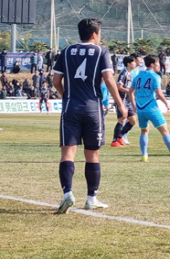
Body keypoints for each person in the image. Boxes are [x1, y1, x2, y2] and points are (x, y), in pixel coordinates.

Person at [52, 18, 126, 214]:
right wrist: (120, 104)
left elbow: (56, 80)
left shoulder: (66, 51)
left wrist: (66, 96)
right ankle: (91, 198)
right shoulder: (101, 51)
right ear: (94, 34)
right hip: (93, 108)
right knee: (92, 155)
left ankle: (67, 194)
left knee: (68, 153)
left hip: (70, 107)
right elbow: (109, 79)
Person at [128, 54, 170, 163]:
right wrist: (166, 103)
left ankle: (144, 155)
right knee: (165, 131)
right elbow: (159, 93)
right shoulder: (155, 76)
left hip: (140, 109)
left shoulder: (138, 76)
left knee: (144, 131)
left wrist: (133, 104)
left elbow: (130, 92)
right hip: (151, 108)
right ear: (152, 64)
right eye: (157, 64)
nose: (159, 66)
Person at [111, 55, 138, 147]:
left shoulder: (130, 74)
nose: (135, 63)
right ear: (128, 63)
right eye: (133, 62)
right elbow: (119, 87)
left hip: (127, 101)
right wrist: (130, 92)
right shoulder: (124, 73)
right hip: (121, 100)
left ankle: (120, 137)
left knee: (133, 121)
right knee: (122, 119)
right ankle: (115, 141)